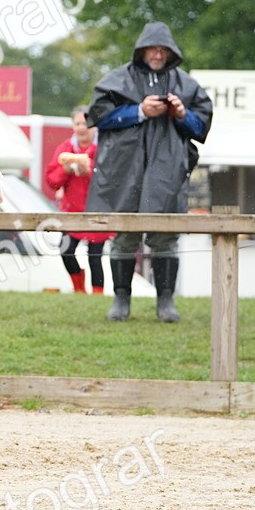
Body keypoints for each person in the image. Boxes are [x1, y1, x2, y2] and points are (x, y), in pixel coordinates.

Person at [86, 22, 212, 322]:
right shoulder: (117, 79)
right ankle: (121, 300)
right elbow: (99, 117)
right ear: (141, 49)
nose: (158, 54)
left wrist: (182, 113)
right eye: (153, 49)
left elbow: (201, 126)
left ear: (171, 52)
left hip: (167, 172)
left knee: (165, 237)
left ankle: (165, 302)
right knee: (125, 237)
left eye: (163, 50)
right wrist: (139, 111)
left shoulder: (187, 85)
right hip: (125, 171)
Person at [45, 106, 115, 294]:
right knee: (65, 251)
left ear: (94, 126)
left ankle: (98, 294)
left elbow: (112, 180)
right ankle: (79, 289)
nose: (82, 128)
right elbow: (51, 180)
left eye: (86, 123)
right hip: (72, 210)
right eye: (77, 124)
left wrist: (90, 171)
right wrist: (66, 171)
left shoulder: (104, 148)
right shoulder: (65, 149)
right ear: (73, 126)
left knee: (95, 256)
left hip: (97, 210)